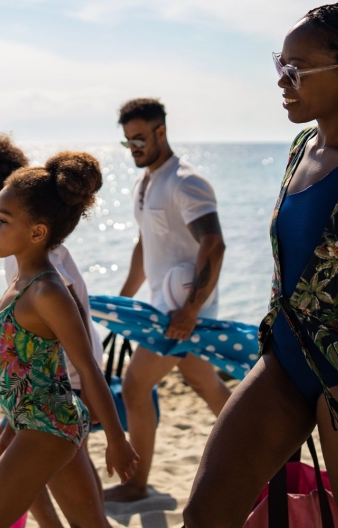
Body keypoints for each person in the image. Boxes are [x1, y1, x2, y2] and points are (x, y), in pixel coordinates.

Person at [183, 4, 338, 527]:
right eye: (280, 62)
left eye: (296, 68)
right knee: (206, 514)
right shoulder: (301, 147)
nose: (281, 79)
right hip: (285, 358)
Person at [0, 151, 139, 528]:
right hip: (40, 421)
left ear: (37, 232)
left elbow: (89, 369)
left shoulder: (49, 291)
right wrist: (10, 425)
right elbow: (37, 366)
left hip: (49, 426)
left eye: (3, 220)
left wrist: (116, 439)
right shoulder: (20, 280)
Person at [105, 98, 231, 502]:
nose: (135, 148)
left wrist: (190, 310)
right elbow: (147, 246)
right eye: (128, 142)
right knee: (204, 382)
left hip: (182, 312)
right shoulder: (146, 183)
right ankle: (268, 452)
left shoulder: (185, 181)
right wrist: (123, 302)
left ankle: (136, 484)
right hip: (167, 307)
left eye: (140, 138)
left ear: (161, 131)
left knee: (134, 386)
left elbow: (213, 243)